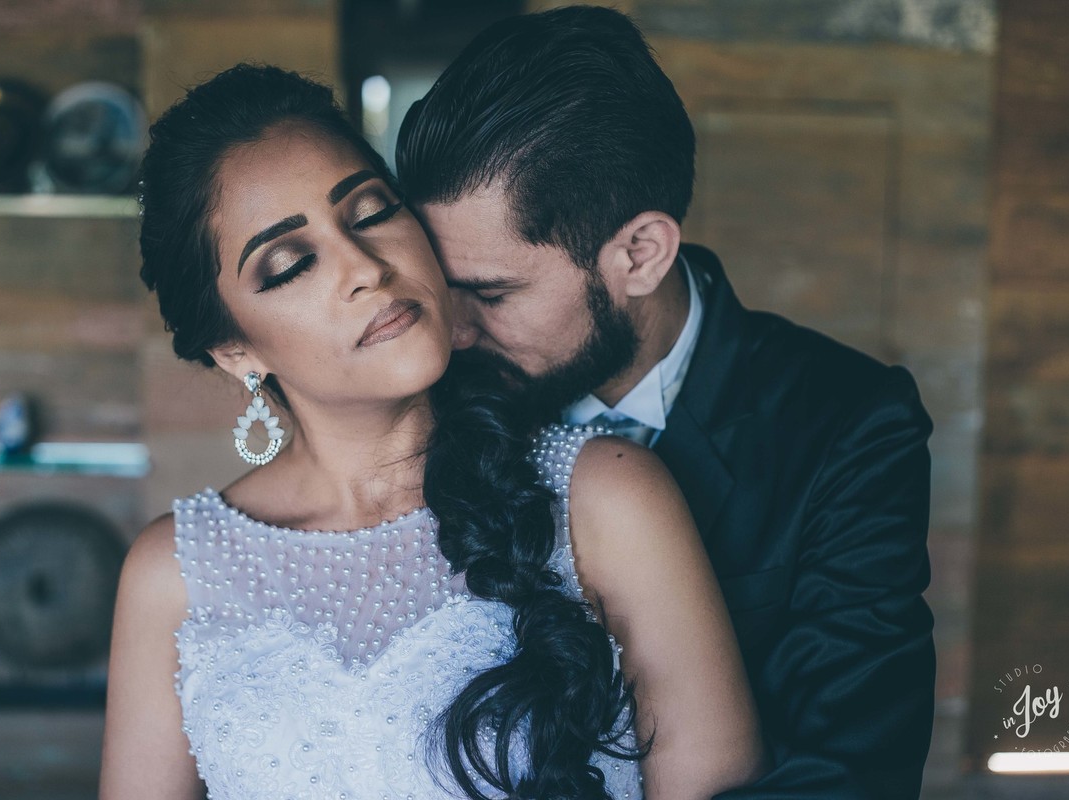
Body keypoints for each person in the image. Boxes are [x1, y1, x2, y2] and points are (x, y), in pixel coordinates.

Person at [98, 63, 766, 800]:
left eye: (370, 211)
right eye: (289, 263)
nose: (363, 268)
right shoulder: (174, 574)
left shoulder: (604, 498)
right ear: (236, 351)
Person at [396, 6, 936, 799]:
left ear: (640, 253)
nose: (456, 333)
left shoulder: (850, 426)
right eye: (441, 289)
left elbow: (850, 767)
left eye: (491, 293)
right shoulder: (432, 399)